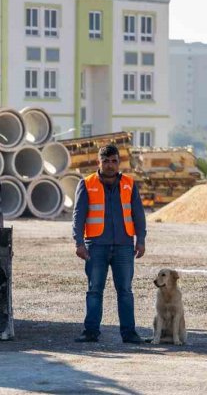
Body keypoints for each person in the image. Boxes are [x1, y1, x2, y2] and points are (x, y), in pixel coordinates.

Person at [71, 143, 146, 344]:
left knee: (125, 291)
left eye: (114, 161)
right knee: (94, 290)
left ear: (119, 162)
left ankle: (129, 333)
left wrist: (141, 240)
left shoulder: (129, 184)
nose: (110, 165)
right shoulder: (86, 184)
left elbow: (138, 214)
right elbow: (78, 215)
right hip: (96, 246)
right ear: (99, 162)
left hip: (124, 246)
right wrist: (78, 243)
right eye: (106, 161)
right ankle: (90, 332)